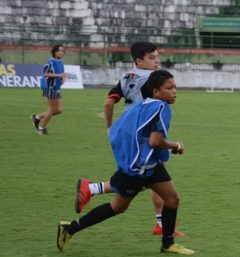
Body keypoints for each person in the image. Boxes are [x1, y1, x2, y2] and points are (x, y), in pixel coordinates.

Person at [57, 70, 193, 255]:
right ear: (156, 92)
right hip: (137, 170)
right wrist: (175, 145)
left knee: (172, 199)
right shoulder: (162, 108)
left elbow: (124, 131)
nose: (174, 91)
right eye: (169, 88)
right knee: (118, 207)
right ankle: (70, 228)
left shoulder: (143, 105)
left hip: (150, 165)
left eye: (175, 87)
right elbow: (156, 141)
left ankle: (168, 244)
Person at [74, 41, 184, 237]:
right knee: (136, 185)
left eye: (157, 56)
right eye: (152, 57)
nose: (156, 61)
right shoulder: (154, 80)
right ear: (139, 60)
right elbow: (154, 132)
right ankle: (89, 191)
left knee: (152, 180)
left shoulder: (126, 77)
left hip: (128, 134)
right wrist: (173, 144)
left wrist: (110, 127)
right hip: (144, 138)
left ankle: (161, 225)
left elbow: (109, 103)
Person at [30, 44, 69, 135]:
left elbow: (61, 74)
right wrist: (59, 75)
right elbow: (45, 73)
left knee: (59, 110)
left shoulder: (61, 63)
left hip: (56, 88)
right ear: (55, 52)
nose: (61, 52)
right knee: (51, 110)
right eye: (59, 50)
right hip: (50, 87)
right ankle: (40, 129)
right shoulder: (50, 62)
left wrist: (62, 79)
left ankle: (37, 117)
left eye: (63, 51)